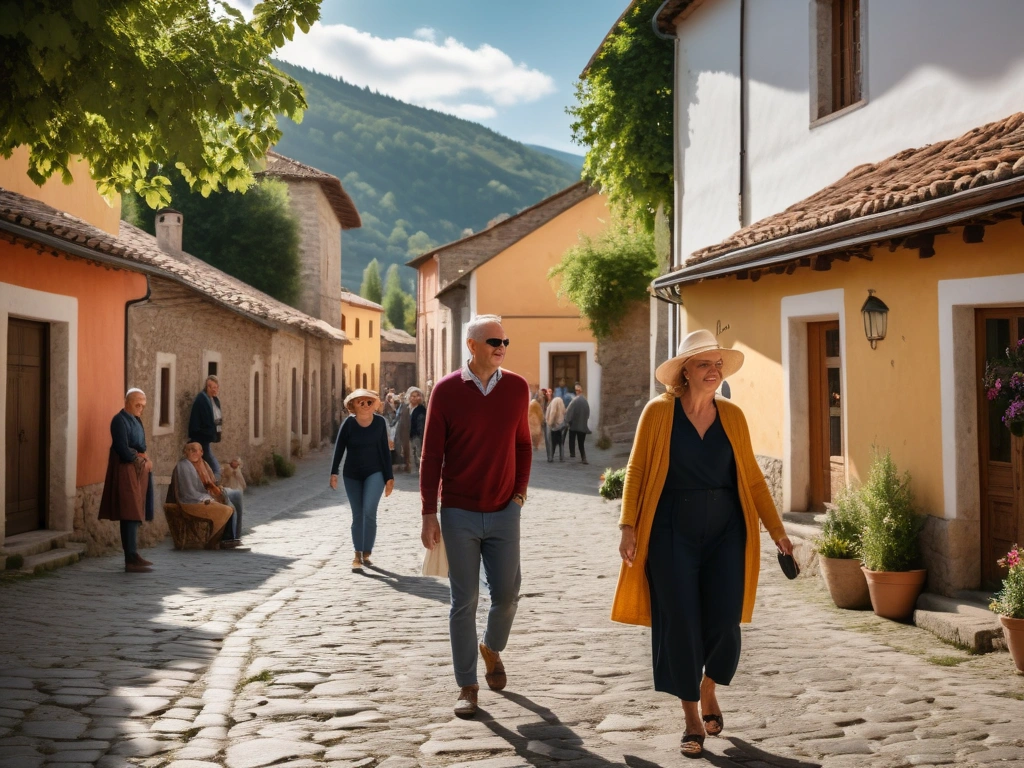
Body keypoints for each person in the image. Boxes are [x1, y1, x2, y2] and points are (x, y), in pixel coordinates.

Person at [612, 329, 793, 759]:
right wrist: (628, 525)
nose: (713, 372)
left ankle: (709, 686)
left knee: (725, 620)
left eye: (717, 365)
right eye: (703, 364)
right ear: (684, 373)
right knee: (680, 623)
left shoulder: (732, 415)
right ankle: (692, 716)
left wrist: (777, 530)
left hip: (727, 531)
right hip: (671, 529)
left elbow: (752, 477)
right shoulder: (658, 413)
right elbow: (637, 469)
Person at [419, 314, 532, 719]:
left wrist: (519, 495)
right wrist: (429, 512)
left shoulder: (518, 388)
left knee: (506, 596)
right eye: (493, 341)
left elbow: (523, 444)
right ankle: (467, 685)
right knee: (462, 601)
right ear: (471, 346)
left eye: (505, 341)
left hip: (505, 510)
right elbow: (432, 455)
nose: (501, 347)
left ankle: (491, 647)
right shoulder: (446, 392)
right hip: (458, 512)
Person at [330, 388, 395, 572]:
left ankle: (367, 550)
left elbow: (384, 451)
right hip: (352, 475)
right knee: (357, 514)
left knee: (369, 510)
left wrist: (389, 478)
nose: (366, 405)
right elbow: (339, 448)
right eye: (361, 402)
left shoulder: (380, 423)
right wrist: (333, 472)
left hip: (375, 473)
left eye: (369, 402)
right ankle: (357, 552)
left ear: (374, 404)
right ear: (353, 406)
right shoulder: (348, 424)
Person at [98, 388, 155, 573]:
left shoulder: (137, 420)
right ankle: (130, 558)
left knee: (137, 511)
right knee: (129, 512)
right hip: (125, 469)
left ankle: (133, 554)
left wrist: (144, 457)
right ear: (127, 402)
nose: (140, 408)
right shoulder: (119, 420)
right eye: (137, 404)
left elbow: (142, 446)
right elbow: (122, 448)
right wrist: (139, 457)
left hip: (138, 470)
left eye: (143, 405)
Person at [173, 442, 246, 549]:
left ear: (201, 452)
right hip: (195, 500)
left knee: (237, 494)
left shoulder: (203, 464)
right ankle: (227, 539)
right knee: (230, 507)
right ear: (184, 452)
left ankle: (236, 536)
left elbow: (212, 482)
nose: (192, 452)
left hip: (209, 493)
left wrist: (215, 488)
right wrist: (210, 497)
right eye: (189, 450)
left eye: (195, 450)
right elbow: (189, 492)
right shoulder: (184, 466)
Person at [188, 375, 223, 477]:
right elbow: (205, 421)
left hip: (206, 437)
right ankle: (215, 483)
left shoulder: (214, 400)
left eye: (216, 387)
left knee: (203, 464)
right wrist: (208, 433)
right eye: (212, 387)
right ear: (207, 387)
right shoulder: (202, 400)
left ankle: (209, 485)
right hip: (201, 437)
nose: (215, 390)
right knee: (214, 466)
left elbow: (217, 419)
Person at [564, 383, 591, 464]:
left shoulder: (574, 401)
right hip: (583, 425)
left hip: (574, 425)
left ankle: (572, 452)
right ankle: (583, 457)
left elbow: (568, 412)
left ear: (577, 391)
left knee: (572, 437)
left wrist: (567, 421)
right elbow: (588, 413)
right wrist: (584, 421)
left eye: (577, 390)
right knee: (581, 443)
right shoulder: (585, 401)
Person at [406, 386, 427, 473]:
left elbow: (422, 423)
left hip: (417, 434)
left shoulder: (421, 409)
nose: (415, 398)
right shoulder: (406, 408)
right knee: (410, 453)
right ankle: (413, 470)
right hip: (407, 434)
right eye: (413, 396)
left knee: (418, 453)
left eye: (417, 396)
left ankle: (421, 470)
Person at [545, 394, 567, 462]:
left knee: (551, 441)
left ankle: (550, 457)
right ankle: (562, 457)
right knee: (560, 442)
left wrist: (549, 423)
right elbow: (564, 412)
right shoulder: (561, 401)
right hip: (560, 425)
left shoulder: (554, 401)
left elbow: (553, 412)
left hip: (554, 425)